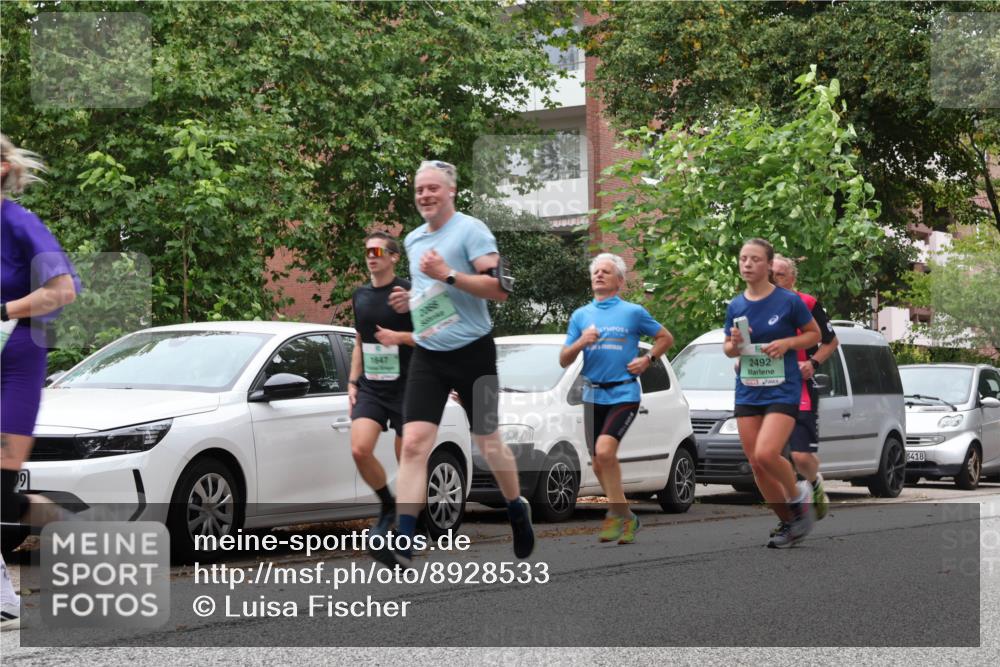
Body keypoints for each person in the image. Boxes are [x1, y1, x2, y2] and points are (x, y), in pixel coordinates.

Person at [372, 160, 533, 568]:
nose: (425, 195)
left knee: (488, 442)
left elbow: (500, 290)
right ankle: (404, 536)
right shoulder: (410, 240)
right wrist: (410, 300)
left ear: (451, 192)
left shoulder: (471, 231)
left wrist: (447, 274)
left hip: (474, 352)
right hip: (428, 353)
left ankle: (516, 507)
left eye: (433, 188)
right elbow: (429, 295)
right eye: (419, 189)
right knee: (413, 444)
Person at [1, 134, 80, 629]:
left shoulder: (21, 224)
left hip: (19, 360)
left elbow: (63, 290)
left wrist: (4, 311)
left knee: (2, 476)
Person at [559, 253, 673, 544]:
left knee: (606, 451)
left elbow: (665, 338)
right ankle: (627, 517)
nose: (598, 275)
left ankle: (613, 513)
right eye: (595, 271)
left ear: (620, 281)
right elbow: (563, 359)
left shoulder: (632, 312)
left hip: (624, 391)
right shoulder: (581, 316)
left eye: (606, 272)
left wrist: (648, 359)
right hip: (593, 393)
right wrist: (581, 342)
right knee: (598, 463)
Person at [723, 238, 820, 548]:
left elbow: (814, 335)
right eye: (743, 259)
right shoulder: (736, 305)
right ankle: (790, 523)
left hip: (782, 388)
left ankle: (798, 496)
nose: (747, 264)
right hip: (748, 390)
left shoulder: (788, 301)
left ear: (767, 265)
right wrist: (734, 345)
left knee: (768, 453)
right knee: (756, 463)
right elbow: (728, 349)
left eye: (754, 259)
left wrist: (788, 344)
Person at [349, 231, 414, 536]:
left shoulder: (409, 293)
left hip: (408, 386)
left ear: (393, 257)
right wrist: (352, 382)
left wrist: (399, 338)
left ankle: (408, 522)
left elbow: (432, 338)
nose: (371, 257)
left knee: (407, 461)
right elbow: (360, 341)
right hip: (372, 386)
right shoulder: (360, 296)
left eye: (377, 252)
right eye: (367, 253)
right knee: (360, 450)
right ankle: (387, 504)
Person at [772, 254, 838, 526]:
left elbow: (831, 342)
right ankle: (790, 511)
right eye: (770, 274)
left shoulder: (807, 303)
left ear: (792, 279)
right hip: (768, 389)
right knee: (768, 457)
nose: (773, 279)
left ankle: (814, 481)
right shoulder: (757, 305)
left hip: (800, 388)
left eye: (779, 275)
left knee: (800, 455)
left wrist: (812, 362)